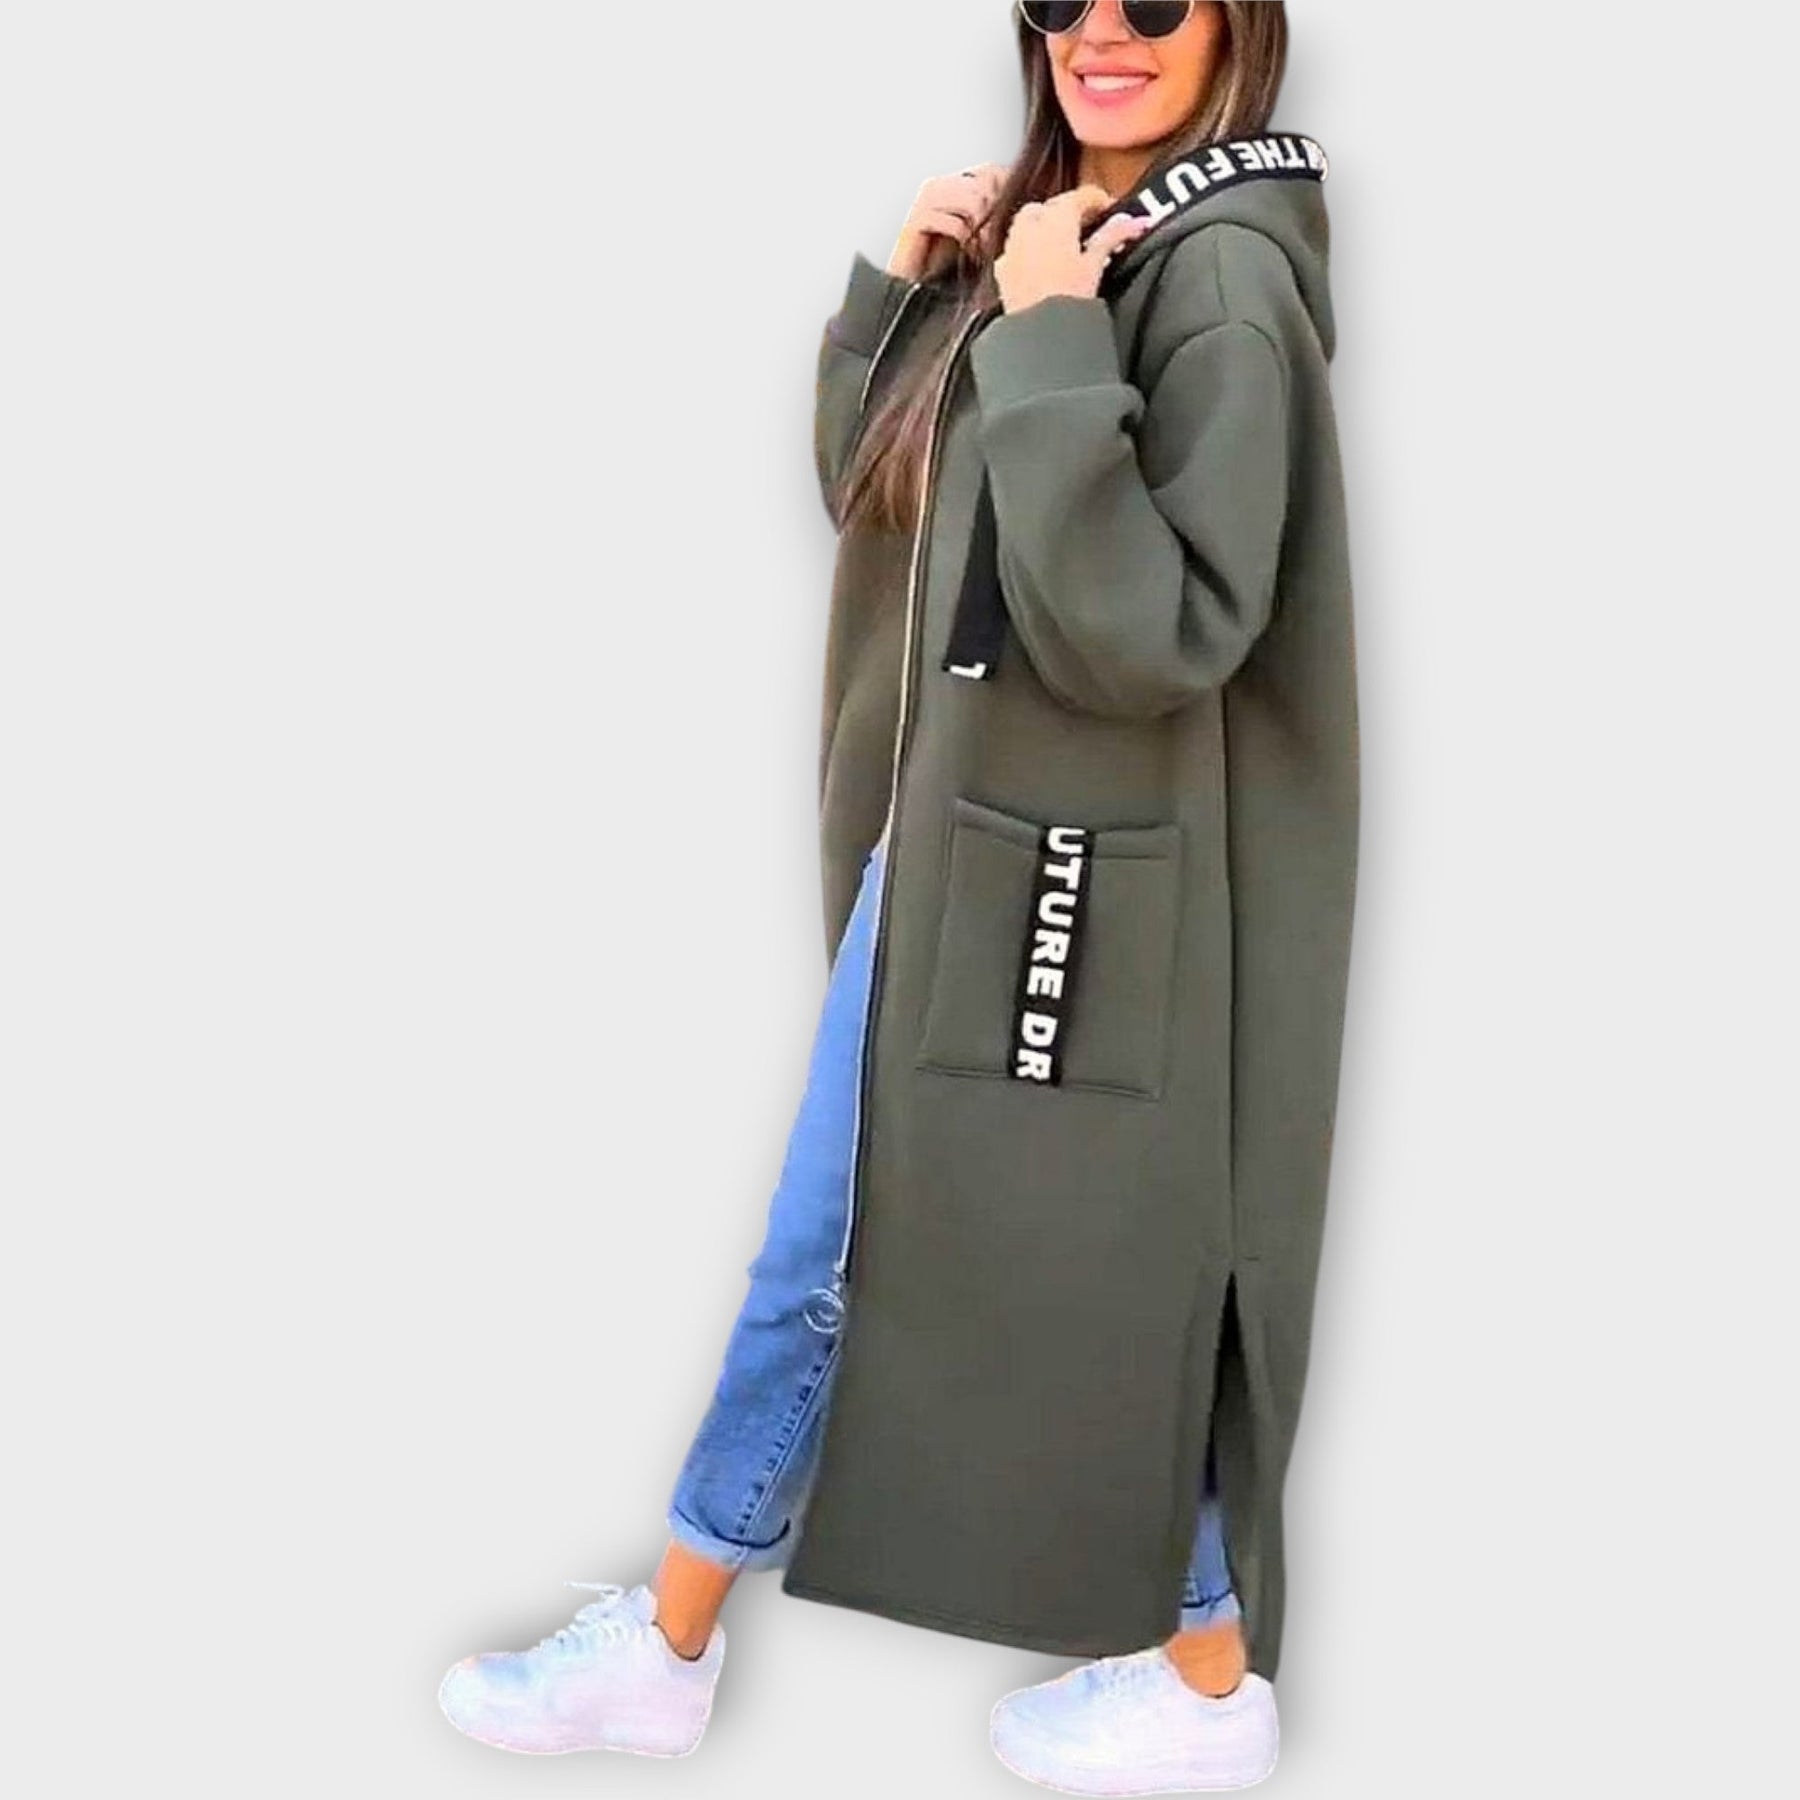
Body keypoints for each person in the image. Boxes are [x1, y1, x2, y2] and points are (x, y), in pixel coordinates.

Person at [439, 4, 1357, 1792]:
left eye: (1152, 0)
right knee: (1012, 1249)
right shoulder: (1074, 237)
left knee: (865, 1241)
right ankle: (1203, 1672)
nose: (1100, 33)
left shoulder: (1219, 280)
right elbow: (891, 509)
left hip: (1061, 874)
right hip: (971, 844)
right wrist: (915, 298)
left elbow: (1151, 630)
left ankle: (677, 1638)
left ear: (1236, 22)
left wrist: (1054, 327)